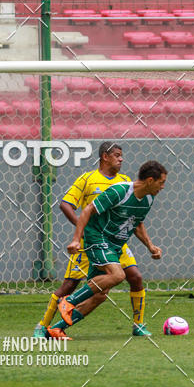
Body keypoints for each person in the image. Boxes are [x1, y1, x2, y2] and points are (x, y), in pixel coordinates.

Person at [34, 142, 155, 338]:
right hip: (92, 241)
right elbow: (66, 204)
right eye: (116, 155)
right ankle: (42, 326)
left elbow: (135, 218)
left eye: (121, 155)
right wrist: (81, 232)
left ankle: (138, 325)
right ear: (105, 157)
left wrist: (150, 245)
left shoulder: (126, 182)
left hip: (115, 244)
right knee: (69, 285)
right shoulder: (88, 179)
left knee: (134, 277)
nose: (121, 159)